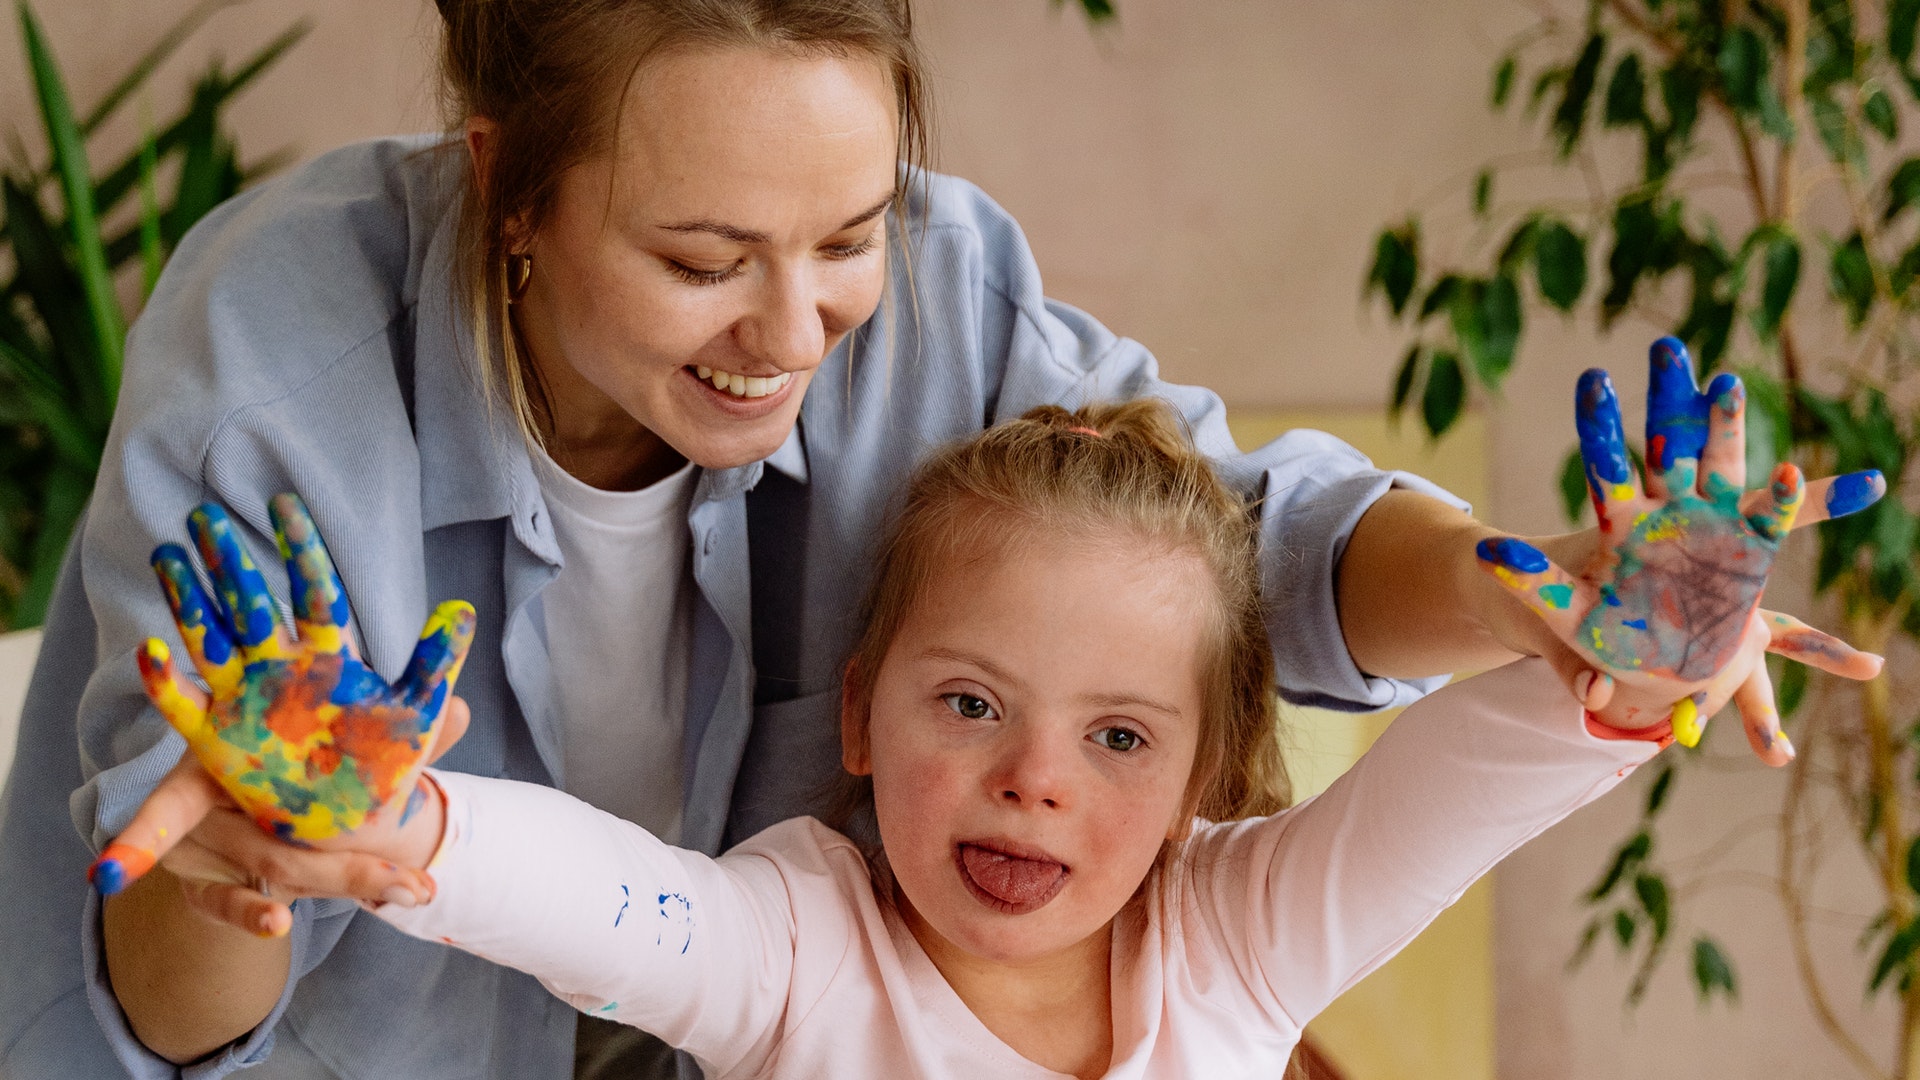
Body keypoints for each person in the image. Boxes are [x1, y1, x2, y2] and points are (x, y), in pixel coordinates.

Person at [0, 2, 1866, 1077]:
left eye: (848, 237)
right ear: (511, 183)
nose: (801, 331)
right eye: (701, 259)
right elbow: (570, 896)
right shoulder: (805, 943)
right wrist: (333, 834)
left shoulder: (1229, 936)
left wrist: (1586, 639)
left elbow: (1233, 556)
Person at [93, 396, 1881, 1080]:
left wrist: (1626, 674)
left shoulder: (1235, 939)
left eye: (1121, 737)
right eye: (971, 704)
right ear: (858, 712)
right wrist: (410, 831)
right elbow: (617, 907)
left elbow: (1447, 802)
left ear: (1207, 770)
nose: (1035, 774)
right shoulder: (803, 944)